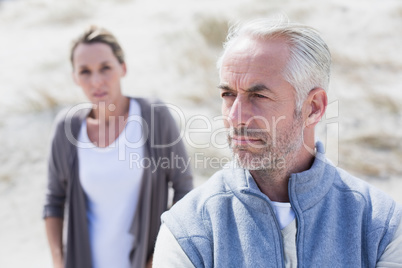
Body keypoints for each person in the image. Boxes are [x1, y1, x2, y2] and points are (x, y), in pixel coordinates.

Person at [153, 18, 402, 267]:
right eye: (228, 94)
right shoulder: (187, 231)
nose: (235, 117)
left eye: (258, 96)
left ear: (313, 108)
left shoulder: (382, 226)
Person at [43, 25, 193, 268]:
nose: (96, 81)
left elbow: (184, 190)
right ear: (75, 77)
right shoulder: (67, 128)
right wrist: (58, 260)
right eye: (85, 72)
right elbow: (53, 200)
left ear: (123, 68)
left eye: (105, 68)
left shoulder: (154, 117)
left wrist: (159, 256)